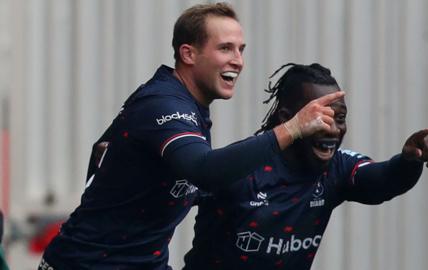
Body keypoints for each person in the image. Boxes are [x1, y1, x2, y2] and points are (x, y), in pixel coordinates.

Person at [38, 3, 344, 270]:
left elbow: (104, 154)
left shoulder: (188, 107)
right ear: (189, 54)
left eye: (241, 49)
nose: (238, 60)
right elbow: (205, 170)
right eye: (225, 48)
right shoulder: (164, 103)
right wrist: (292, 128)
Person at [182, 63, 428, 270]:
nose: (332, 128)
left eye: (339, 118)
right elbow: (163, 201)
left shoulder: (337, 167)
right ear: (286, 119)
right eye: (320, 118)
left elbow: (382, 181)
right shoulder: (243, 166)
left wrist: (409, 161)